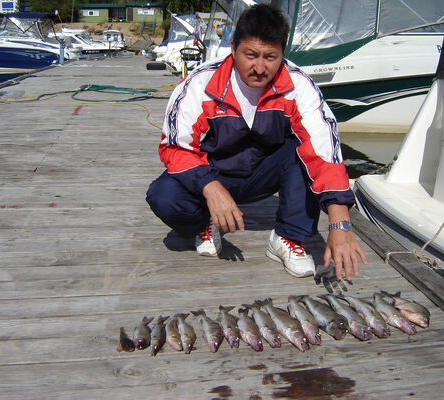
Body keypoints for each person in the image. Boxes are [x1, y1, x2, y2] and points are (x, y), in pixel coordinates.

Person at [146, 4, 367, 280]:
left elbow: (325, 151)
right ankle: (204, 224)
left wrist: (340, 223)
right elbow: (175, 148)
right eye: (250, 55)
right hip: (213, 172)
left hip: (265, 173)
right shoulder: (200, 84)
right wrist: (210, 187)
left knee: (305, 152)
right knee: (163, 196)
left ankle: (288, 237)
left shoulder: (299, 86)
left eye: (270, 57)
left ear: (282, 54)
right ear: (233, 49)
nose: (260, 68)